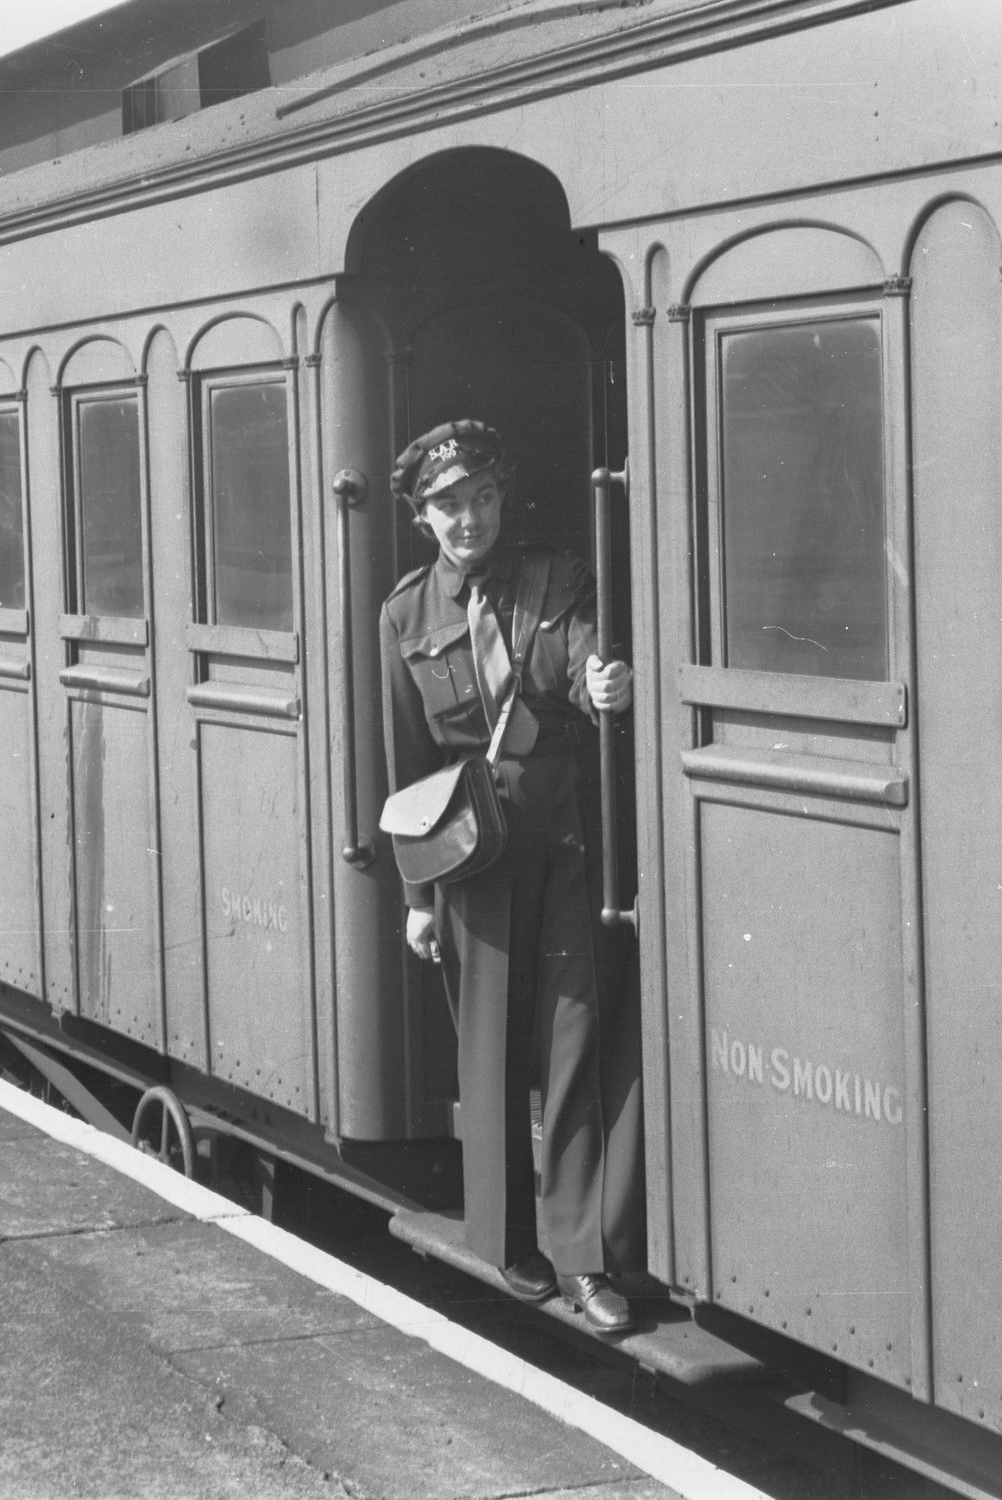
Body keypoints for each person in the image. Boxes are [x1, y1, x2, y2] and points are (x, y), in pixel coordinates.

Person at [379, 419, 644, 1335]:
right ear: (423, 516)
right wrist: (418, 900)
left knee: (575, 1044)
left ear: (503, 499)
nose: (470, 518)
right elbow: (407, 766)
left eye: (483, 498)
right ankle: (508, 1241)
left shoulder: (553, 578)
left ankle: (583, 1260)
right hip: (472, 864)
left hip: (568, 848)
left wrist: (602, 683)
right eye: (449, 504)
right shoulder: (406, 616)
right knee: (490, 1049)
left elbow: (579, 659)